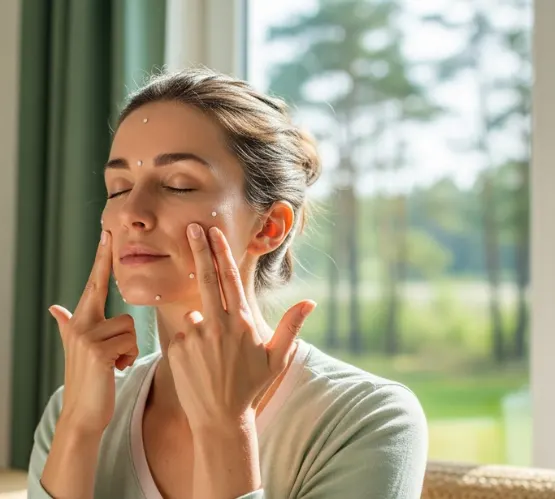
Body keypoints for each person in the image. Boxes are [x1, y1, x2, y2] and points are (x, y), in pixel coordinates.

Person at [27, 67, 429, 499]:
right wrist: (79, 428)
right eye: (119, 187)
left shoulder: (367, 419)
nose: (132, 213)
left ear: (269, 226)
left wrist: (225, 427)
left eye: (178, 185)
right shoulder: (71, 410)